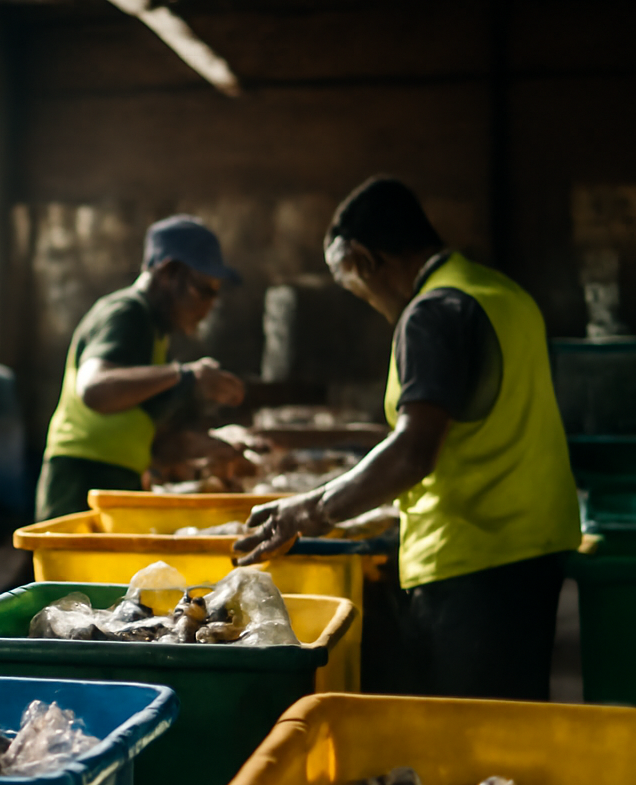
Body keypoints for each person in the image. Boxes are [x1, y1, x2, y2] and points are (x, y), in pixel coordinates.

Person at [237, 177, 580, 702]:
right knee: (513, 725)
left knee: (464, 735)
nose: (363, 299)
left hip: (470, 562)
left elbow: (414, 451)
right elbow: (461, 423)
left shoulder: (431, 313)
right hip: (535, 551)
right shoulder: (501, 294)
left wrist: (307, 511)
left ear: (363, 259)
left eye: (349, 281)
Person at [35, 215, 247, 522]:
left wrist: (215, 448)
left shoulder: (154, 332)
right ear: (169, 273)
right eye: (205, 290)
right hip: (81, 481)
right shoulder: (126, 314)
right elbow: (95, 389)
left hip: (112, 481)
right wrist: (187, 375)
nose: (210, 306)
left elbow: (145, 435)